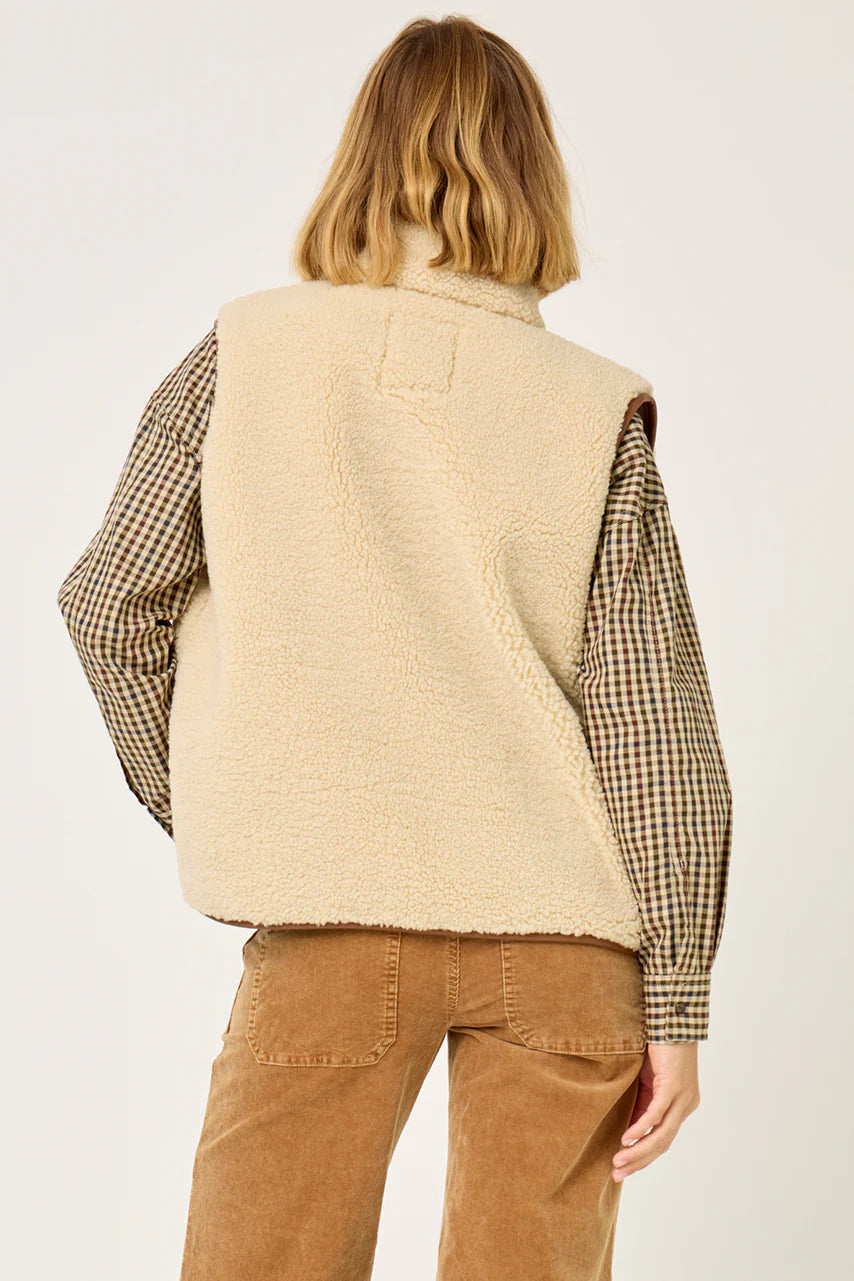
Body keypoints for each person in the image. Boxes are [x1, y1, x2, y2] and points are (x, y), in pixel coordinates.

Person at [56, 14, 732, 1281]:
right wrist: (677, 1003)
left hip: (331, 917)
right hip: (563, 934)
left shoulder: (244, 354)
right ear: (533, 175)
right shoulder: (591, 408)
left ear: (359, 159)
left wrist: (222, 797)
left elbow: (109, 602)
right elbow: (655, 727)